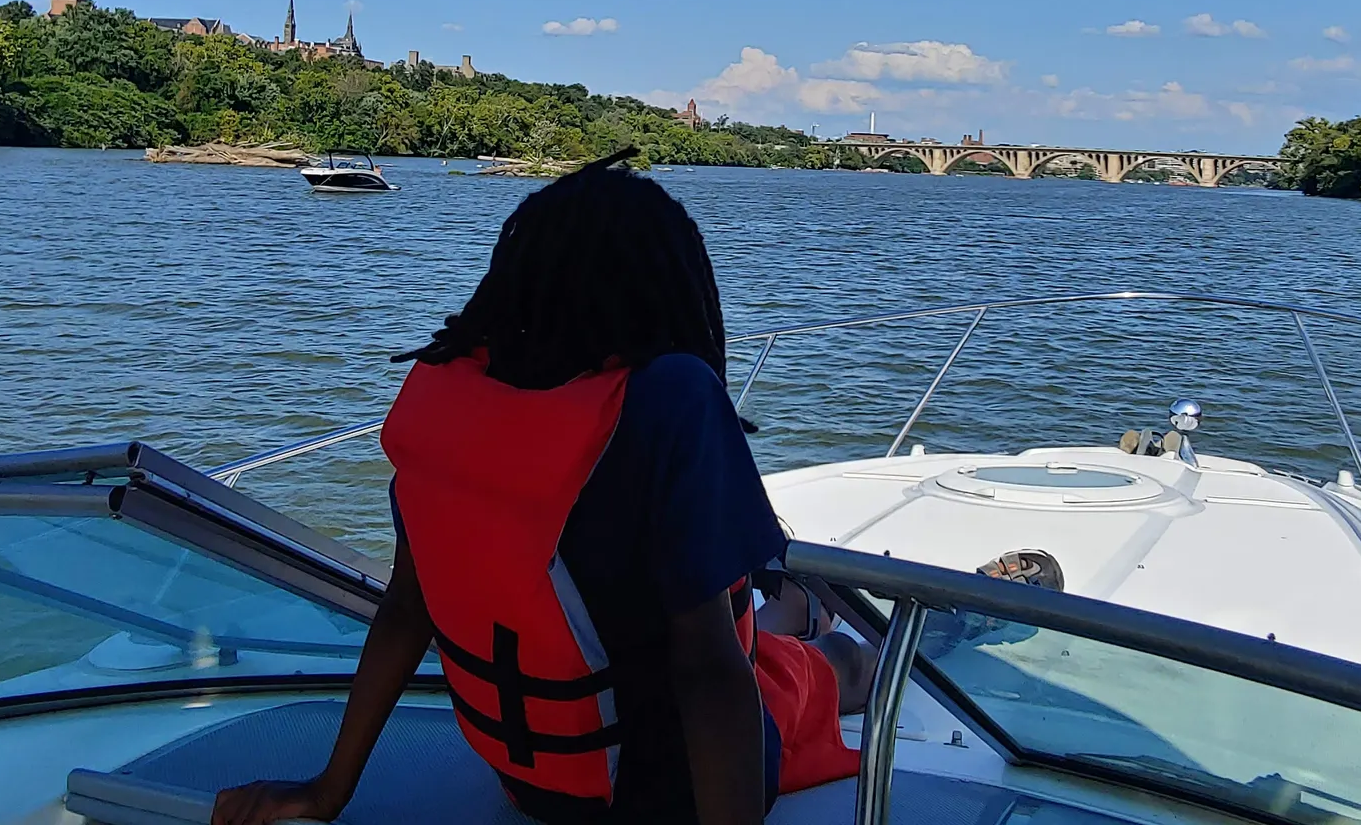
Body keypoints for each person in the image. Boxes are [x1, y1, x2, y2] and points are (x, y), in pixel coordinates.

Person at [214, 151, 872, 825]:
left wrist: (328, 790)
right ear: (670, 290)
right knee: (826, 668)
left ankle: (790, 612)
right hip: (660, 795)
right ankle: (855, 639)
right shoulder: (670, 398)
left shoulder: (443, 391)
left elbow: (406, 611)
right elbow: (707, 672)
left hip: (535, 785)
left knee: (759, 633)